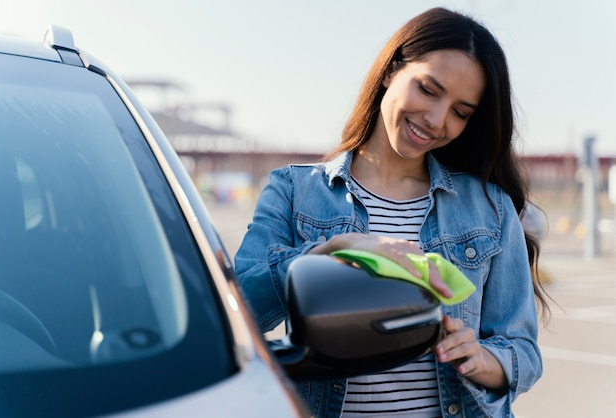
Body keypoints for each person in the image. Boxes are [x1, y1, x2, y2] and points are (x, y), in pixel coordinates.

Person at [234, 7, 549, 418]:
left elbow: (523, 352)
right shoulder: (294, 191)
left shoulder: (489, 208)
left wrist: (484, 360)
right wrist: (326, 252)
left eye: (460, 112)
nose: (436, 120)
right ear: (390, 71)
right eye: (428, 89)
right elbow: (236, 318)